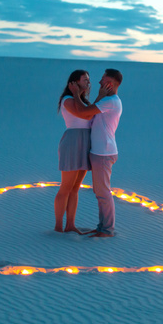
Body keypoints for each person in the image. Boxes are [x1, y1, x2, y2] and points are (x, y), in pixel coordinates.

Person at [69, 69, 123, 238]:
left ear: (110, 84)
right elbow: (90, 114)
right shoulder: (107, 101)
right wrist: (98, 96)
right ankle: (102, 227)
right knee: (100, 192)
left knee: (103, 193)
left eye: (102, 80)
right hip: (99, 152)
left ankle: (107, 230)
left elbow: (85, 112)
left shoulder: (112, 101)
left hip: (104, 153)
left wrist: (76, 95)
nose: (99, 82)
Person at [54, 70, 96, 233]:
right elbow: (85, 116)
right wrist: (76, 94)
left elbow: (90, 112)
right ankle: (58, 226)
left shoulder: (82, 101)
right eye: (85, 79)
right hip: (73, 142)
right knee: (66, 187)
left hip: (86, 141)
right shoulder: (68, 100)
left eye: (88, 79)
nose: (88, 82)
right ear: (74, 83)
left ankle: (70, 224)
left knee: (75, 188)